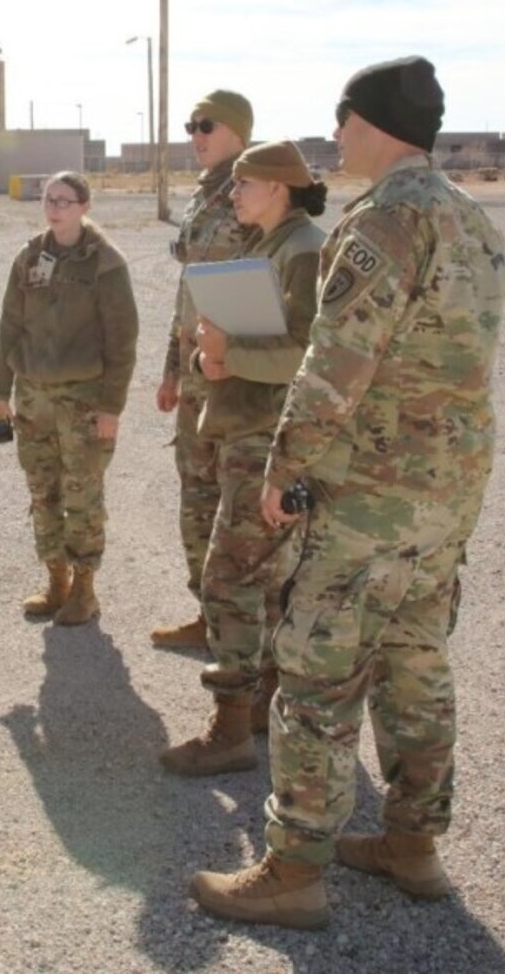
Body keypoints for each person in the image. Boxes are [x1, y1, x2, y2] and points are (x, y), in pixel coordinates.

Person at [191, 56, 505, 928]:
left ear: (371, 124)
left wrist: (285, 469)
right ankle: (413, 844)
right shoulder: (475, 220)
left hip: (372, 492)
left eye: (342, 122)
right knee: (416, 662)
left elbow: (336, 365)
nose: (335, 139)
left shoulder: (386, 224)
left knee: (316, 672)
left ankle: (294, 867)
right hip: (449, 489)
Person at [161, 141, 327, 776]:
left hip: (270, 433)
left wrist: (229, 359)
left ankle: (231, 729)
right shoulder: (270, 244)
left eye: (244, 185)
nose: (233, 195)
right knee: (264, 577)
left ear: (279, 187)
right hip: (249, 426)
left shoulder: (304, 249)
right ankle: (260, 708)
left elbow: (309, 353)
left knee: (230, 577)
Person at [0, 172, 138, 626]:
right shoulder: (30, 257)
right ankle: (56, 582)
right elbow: (9, 329)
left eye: (65, 201)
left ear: (85, 207)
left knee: (82, 493)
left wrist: (112, 406)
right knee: (42, 489)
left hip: (83, 401)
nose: (55, 208)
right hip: (33, 400)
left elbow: (122, 341)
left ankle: (85, 590)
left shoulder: (105, 263)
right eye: (49, 200)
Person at [151, 90, 257, 649]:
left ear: (238, 132)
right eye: (192, 125)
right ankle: (207, 615)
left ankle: (242, 634)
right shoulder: (205, 196)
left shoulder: (254, 191)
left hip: (233, 376)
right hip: (195, 370)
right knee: (195, 496)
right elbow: (188, 291)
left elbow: (267, 293)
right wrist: (172, 369)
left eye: (206, 125)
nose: (195, 135)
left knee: (232, 503)